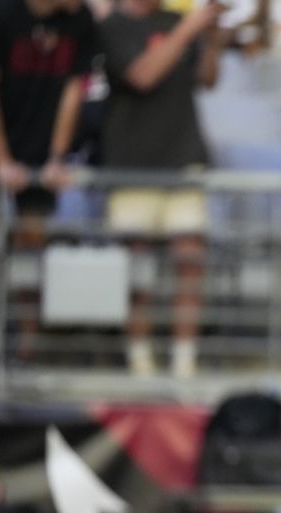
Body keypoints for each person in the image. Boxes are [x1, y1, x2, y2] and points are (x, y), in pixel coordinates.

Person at [98, 0, 228, 377]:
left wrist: (212, 42)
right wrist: (189, 30)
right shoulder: (114, 27)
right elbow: (142, 75)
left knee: (190, 264)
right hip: (130, 165)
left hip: (184, 160)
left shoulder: (175, 21)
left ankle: (184, 362)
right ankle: (140, 362)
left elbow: (207, 79)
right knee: (137, 274)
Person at [0, 0, 96, 357]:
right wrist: (2, 159)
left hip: (40, 148)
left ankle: (28, 348)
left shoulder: (80, 19)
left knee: (32, 244)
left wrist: (56, 156)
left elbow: (74, 89)